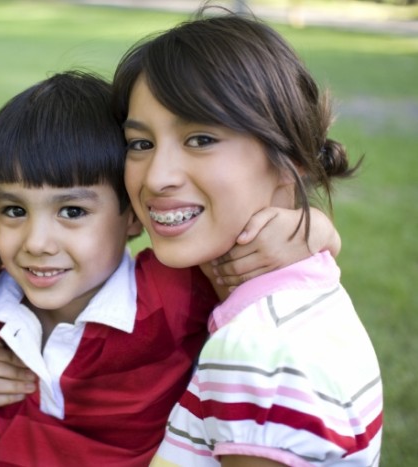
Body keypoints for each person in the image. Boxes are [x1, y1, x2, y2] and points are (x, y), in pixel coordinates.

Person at [0, 71, 341, 466]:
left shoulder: (175, 291)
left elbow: (272, 257)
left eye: (73, 212)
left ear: (133, 216)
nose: (36, 244)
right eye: (13, 210)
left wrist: (314, 227)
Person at [111, 11, 383, 465]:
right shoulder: (298, 299)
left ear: (290, 159)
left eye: (200, 138)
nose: (156, 178)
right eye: (140, 144)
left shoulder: (261, 353)